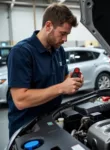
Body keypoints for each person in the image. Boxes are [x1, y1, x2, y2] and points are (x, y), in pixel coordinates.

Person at [7, 3, 84, 138]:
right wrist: (61, 88)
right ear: (48, 26)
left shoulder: (59, 50)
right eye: (62, 33)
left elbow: (64, 79)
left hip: (53, 122)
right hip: (26, 129)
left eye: (67, 34)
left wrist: (72, 81)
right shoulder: (21, 52)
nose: (65, 39)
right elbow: (20, 100)